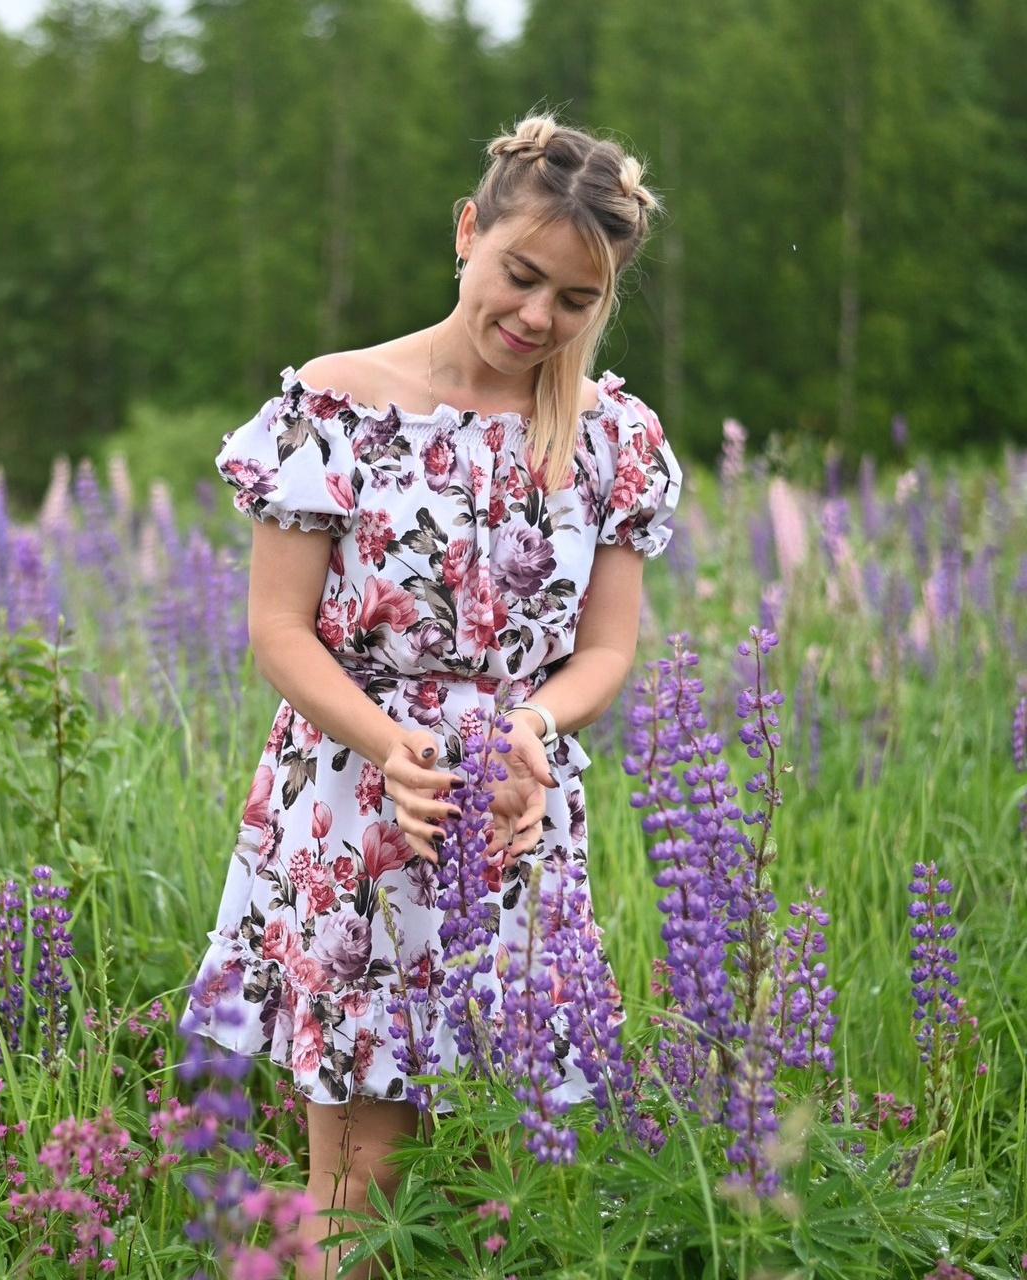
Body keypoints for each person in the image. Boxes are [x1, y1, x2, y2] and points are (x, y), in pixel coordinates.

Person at [184, 112, 681, 1278]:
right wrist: (395, 744)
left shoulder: (611, 436)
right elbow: (274, 628)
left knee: (522, 1170)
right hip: (358, 800)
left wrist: (527, 727)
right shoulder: (334, 404)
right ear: (466, 231)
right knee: (362, 1184)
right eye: (520, 275)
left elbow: (605, 648)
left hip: (515, 810)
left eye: (574, 299)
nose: (536, 317)